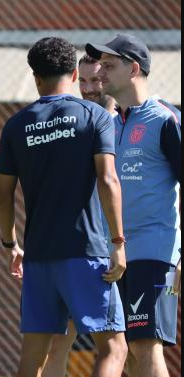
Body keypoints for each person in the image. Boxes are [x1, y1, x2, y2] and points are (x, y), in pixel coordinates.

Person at [0, 36, 129, 377]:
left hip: (38, 257)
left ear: (35, 77)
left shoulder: (15, 125)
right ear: (73, 73)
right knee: (114, 348)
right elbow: (108, 180)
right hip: (86, 252)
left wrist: (11, 244)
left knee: (33, 360)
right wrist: (118, 243)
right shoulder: (94, 116)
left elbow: (3, 193)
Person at [86, 34, 181, 377]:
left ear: (134, 69)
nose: (101, 73)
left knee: (144, 345)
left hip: (154, 251)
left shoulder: (165, 119)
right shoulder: (107, 124)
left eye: (109, 66)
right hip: (113, 255)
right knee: (120, 349)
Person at [42, 53, 118, 377]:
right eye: (83, 80)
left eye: (98, 80)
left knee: (131, 349)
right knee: (60, 341)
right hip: (84, 251)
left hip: (127, 248)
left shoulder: (133, 122)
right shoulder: (74, 125)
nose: (89, 89)